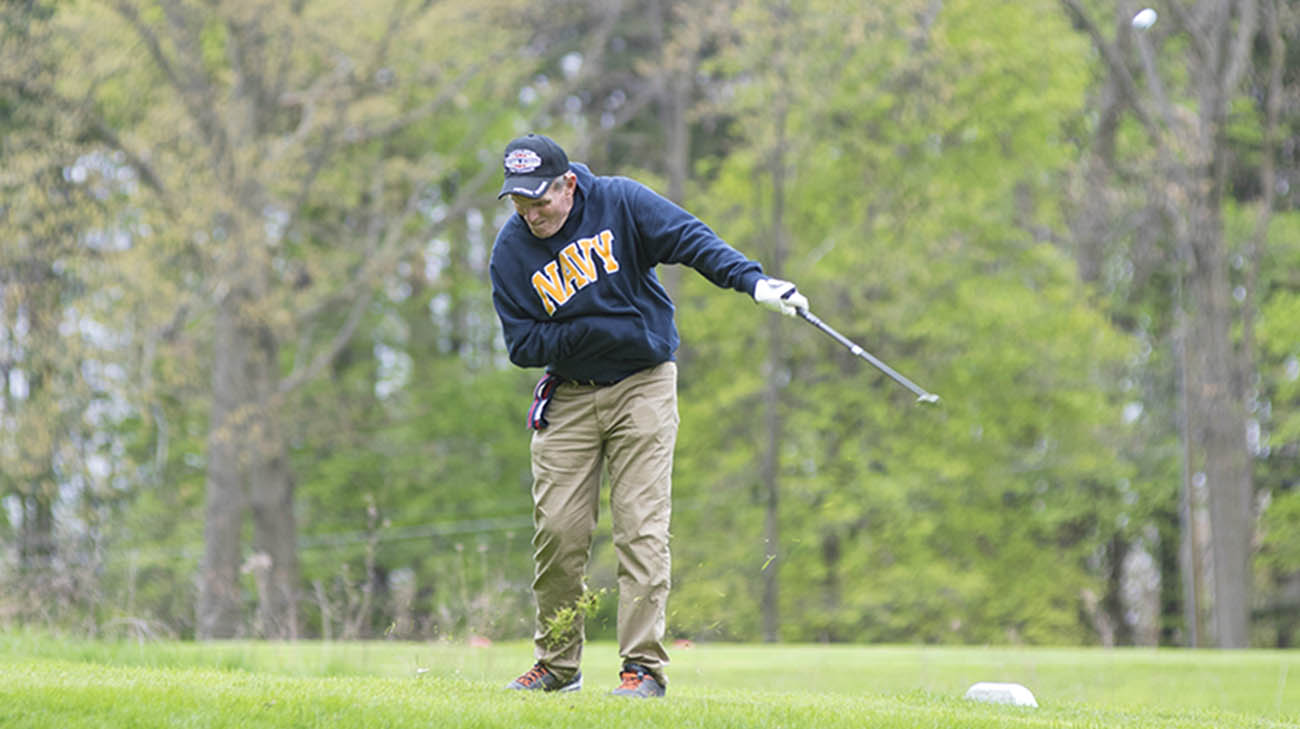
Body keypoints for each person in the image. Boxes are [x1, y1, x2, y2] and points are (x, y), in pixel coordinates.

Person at [488, 133, 807, 698]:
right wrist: (605, 326)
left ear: (569, 184)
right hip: (569, 396)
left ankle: (642, 670)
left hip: (644, 386)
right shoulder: (511, 252)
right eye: (519, 203)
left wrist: (753, 280)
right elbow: (522, 345)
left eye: (540, 201)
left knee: (640, 530)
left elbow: (692, 240)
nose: (531, 215)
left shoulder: (621, 202)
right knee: (559, 533)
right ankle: (558, 666)